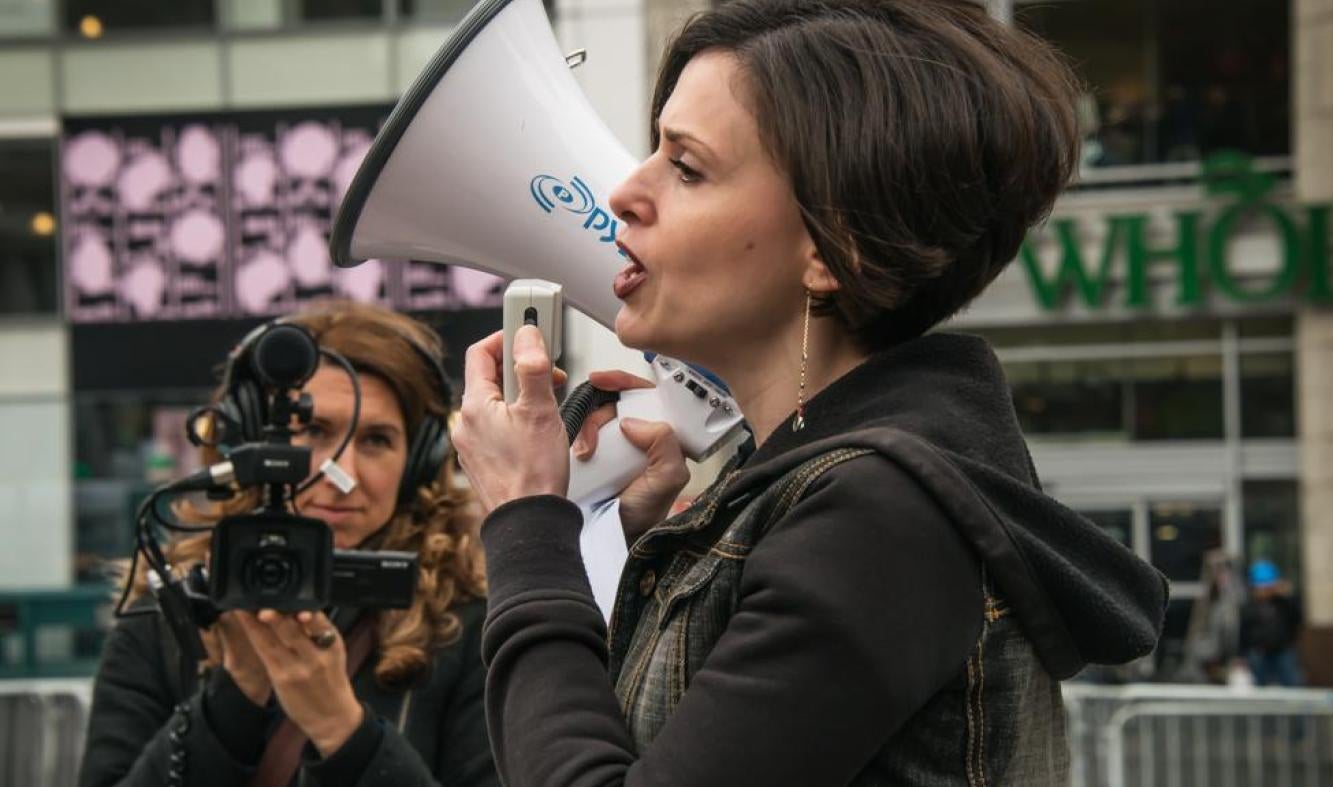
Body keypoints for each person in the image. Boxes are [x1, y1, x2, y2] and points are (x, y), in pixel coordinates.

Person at [452, 1, 1169, 785]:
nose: (626, 190)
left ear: (835, 249)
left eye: (686, 167)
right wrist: (604, 537)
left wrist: (527, 519)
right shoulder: (822, 494)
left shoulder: (876, 516)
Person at [79, 302, 499, 787]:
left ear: (419, 461)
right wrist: (236, 695)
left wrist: (342, 727)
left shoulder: (470, 627)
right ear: (250, 442)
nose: (343, 476)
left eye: (376, 440)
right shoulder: (164, 620)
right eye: (313, 431)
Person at [1240, 559, 1304, 687]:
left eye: (1266, 587)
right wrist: (1241, 655)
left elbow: (1297, 618)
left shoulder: (1283, 603)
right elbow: (1244, 631)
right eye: (1260, 587)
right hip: (1259, 651)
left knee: (1291, 682)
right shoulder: (1250, 606)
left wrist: (1287, 596)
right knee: (1259, 684)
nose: (1263, 591)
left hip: (1283, 649)